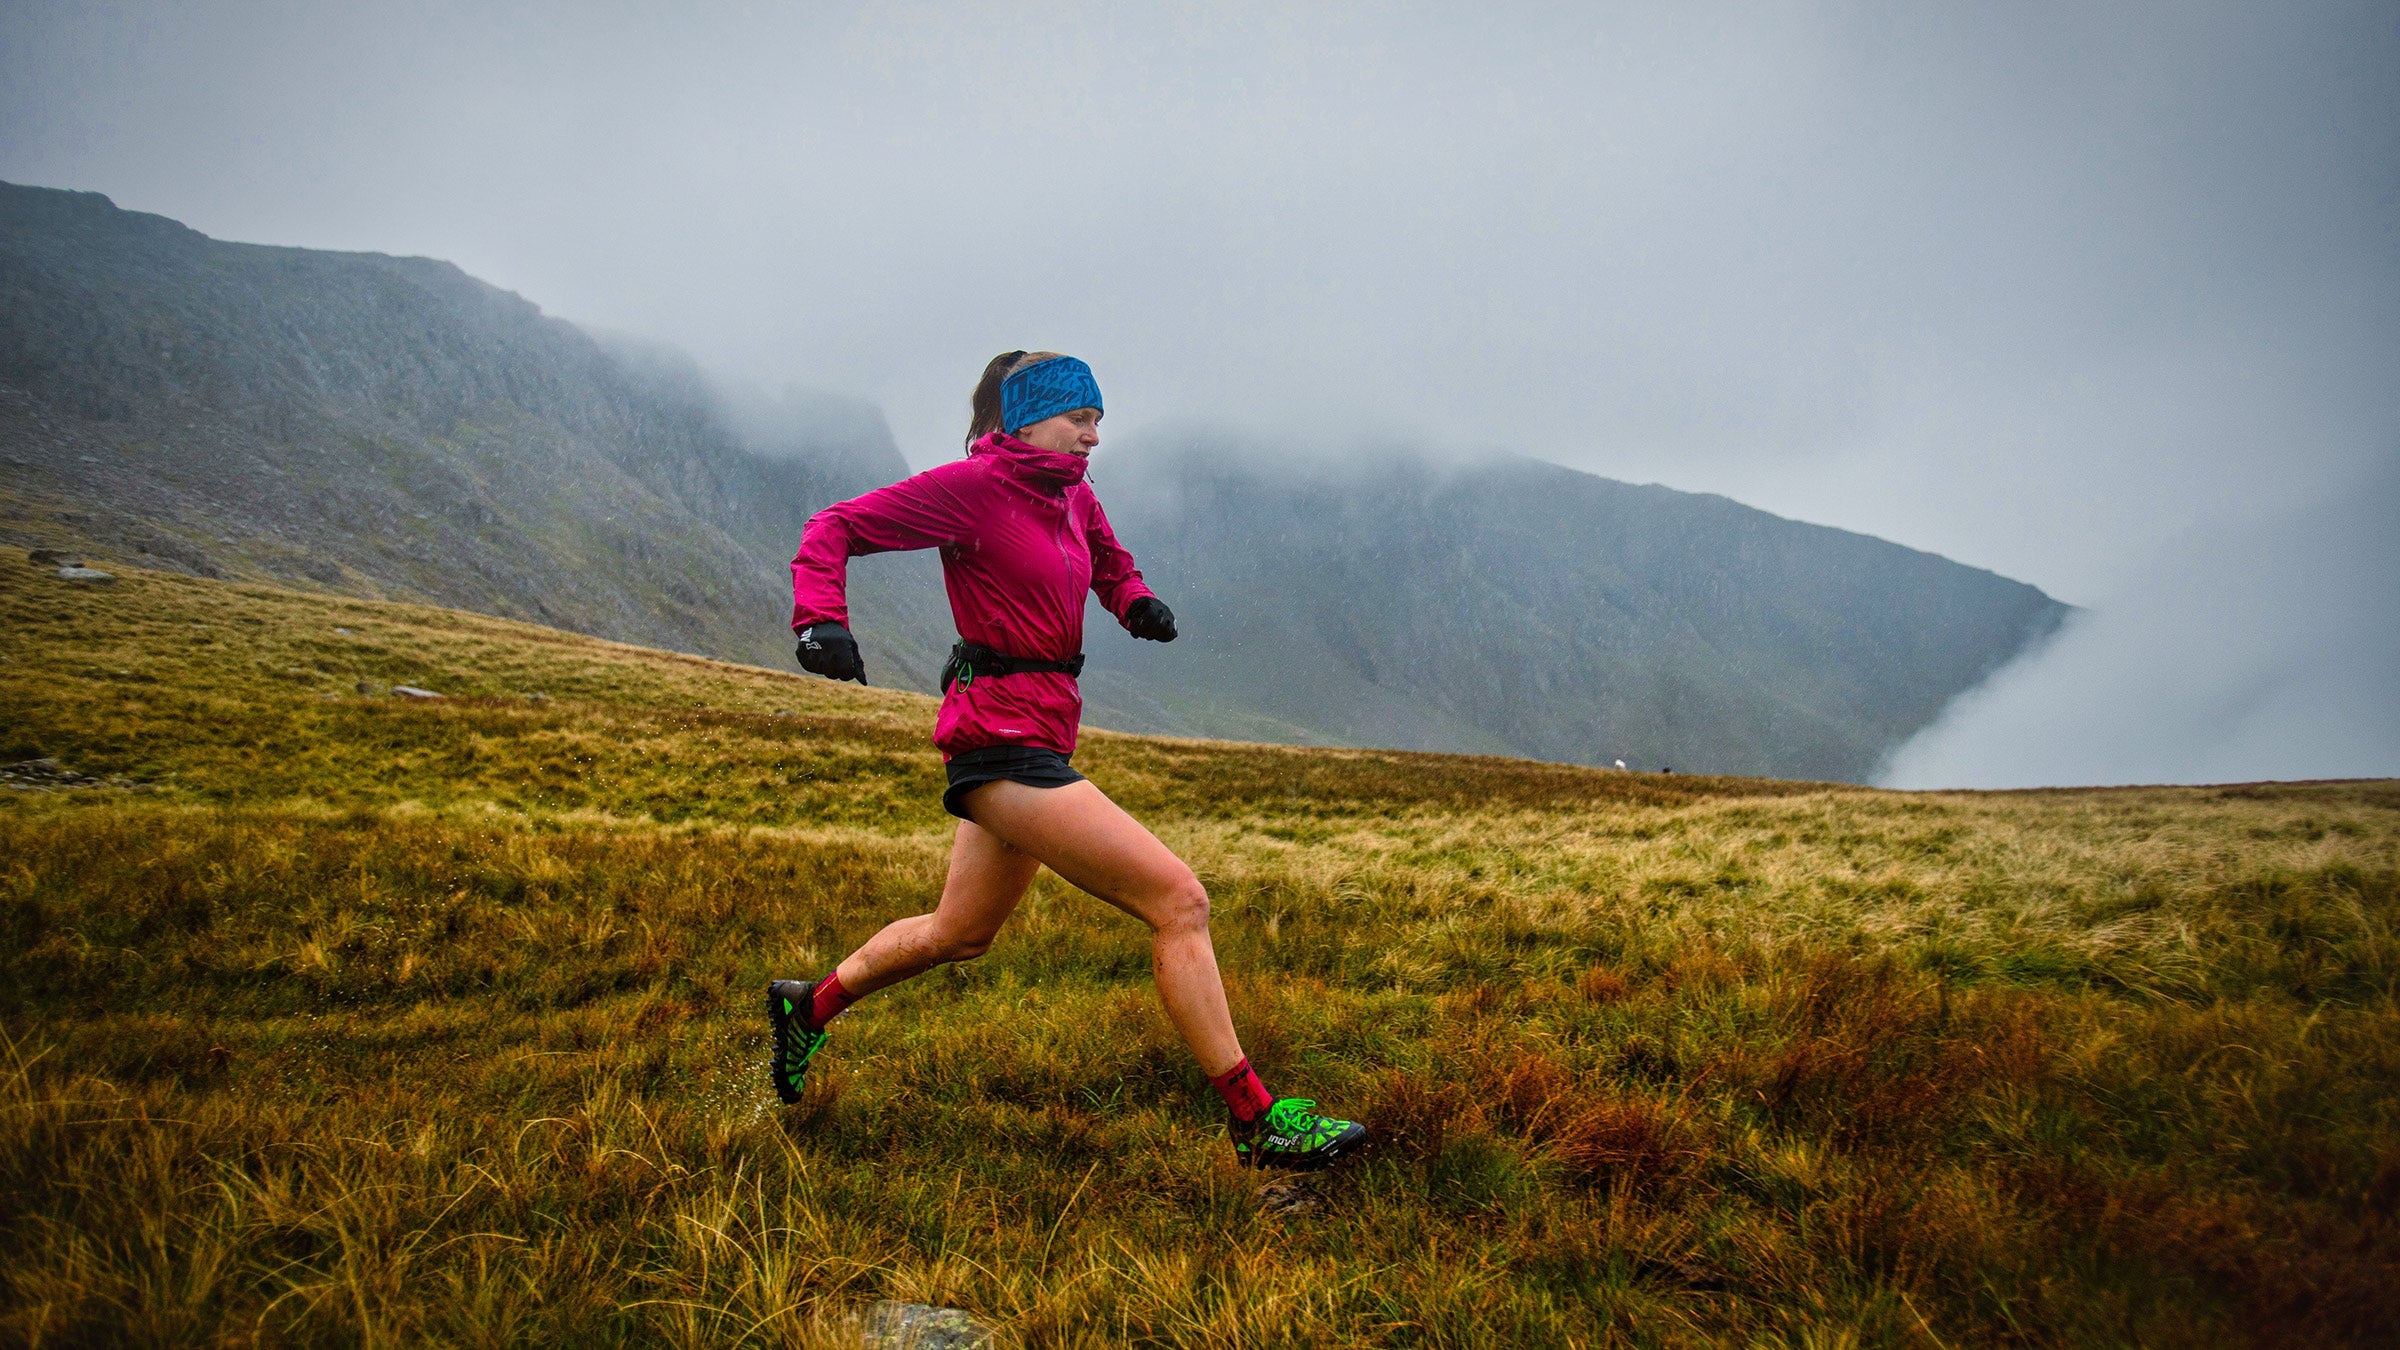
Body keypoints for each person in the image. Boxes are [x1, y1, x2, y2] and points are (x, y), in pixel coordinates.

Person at [769, 350, 1366, 1172]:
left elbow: (1110, 560)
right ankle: (1257, 1120)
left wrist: (1134, 602)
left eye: (1098, 422)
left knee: (959, 933)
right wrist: (820, 621)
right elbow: (834, 527)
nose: (1093, 436)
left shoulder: (1073, 495)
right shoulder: (971, 492)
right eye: (1079, 420)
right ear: (1027, 420)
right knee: (1178, 900)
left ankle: (808, 1007)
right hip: (996, 742)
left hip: (1044, 731)